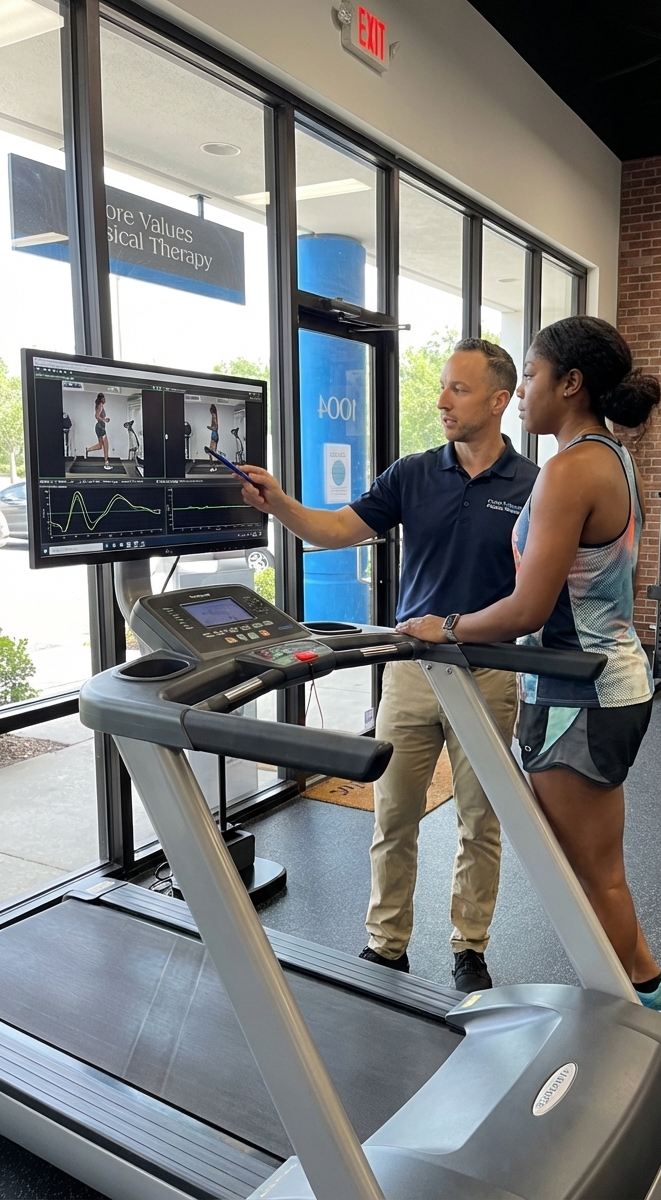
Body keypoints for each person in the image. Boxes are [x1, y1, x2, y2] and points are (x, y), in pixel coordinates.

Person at [397, 316, 661, 1019]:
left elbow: (530, 607)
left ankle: (657, 1003)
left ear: (570, 382)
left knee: (592, 875)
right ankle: (625, 1006)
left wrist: (448, 625)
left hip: (580, 692)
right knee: (585, 871)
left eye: (529, 376)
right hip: (600, 683)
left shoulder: (570, 469)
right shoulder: (610, 456)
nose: (522, 391)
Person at [239, 339, 538, 993]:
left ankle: (469, 947)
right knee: (392, 815)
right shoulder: (413, 473)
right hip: (409, 671)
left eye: (457, 389)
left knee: (479, 821)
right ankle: (387, 943)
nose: (440, 401)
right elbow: (335, 530)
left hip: (488, 673)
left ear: (498, 399)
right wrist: (281, 503)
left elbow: (541, 591)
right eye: (442, 387)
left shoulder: (533, 487)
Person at [85, 393, 112, 470]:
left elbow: (99, 416)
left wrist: (105, 419)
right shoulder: (100, 405)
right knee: (106, 445)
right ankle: (106, 463)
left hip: (99, 427)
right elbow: (97, 416)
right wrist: (103, 420)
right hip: (100, 427)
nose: (104, 399)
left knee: (100, 446)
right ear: (101, 399)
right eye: (103, 398)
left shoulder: (98, 405)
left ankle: (88, 449)